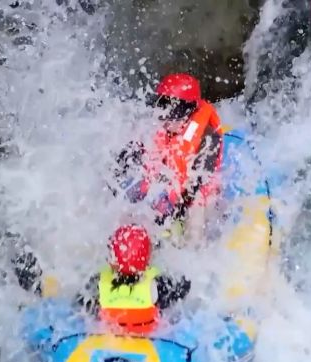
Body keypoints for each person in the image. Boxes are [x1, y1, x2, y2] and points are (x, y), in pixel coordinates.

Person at [116, 73, 226, 231]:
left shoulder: (207, 136)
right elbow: (133, 153)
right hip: (167, 186)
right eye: (163, 107)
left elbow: (198, 182)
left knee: (199, 205)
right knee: (132, 192)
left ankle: (192, 243)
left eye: (174, 112)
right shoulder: (160, 127)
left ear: (190, 111)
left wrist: (172, 212)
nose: (166, 117)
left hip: (192, 192)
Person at [79, 224, 191, 335]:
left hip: (108, 336)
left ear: (112, 260)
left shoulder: (97, 285)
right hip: (148, 334)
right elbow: (184, 286)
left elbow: (80, 302)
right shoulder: (157, 286)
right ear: (147, 260)